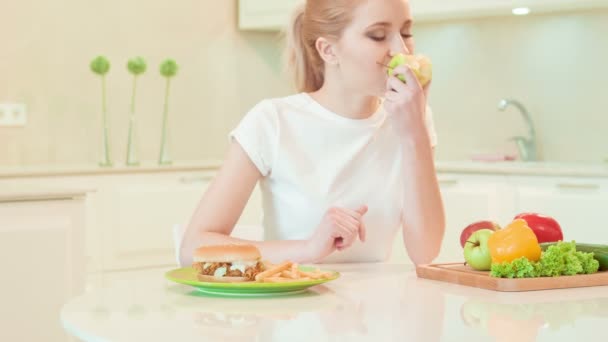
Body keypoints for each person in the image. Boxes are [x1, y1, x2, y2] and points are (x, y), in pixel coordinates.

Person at [179, 0, 445, 265]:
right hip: (292, 305)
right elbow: (192, 249)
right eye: (378, 35)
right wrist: (308, 249)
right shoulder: (272, 122)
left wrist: (415, 135)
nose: (401, 49)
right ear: (328, 50)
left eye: (406, 33)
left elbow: (425, 252)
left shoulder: (412, 121)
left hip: (377, 303)